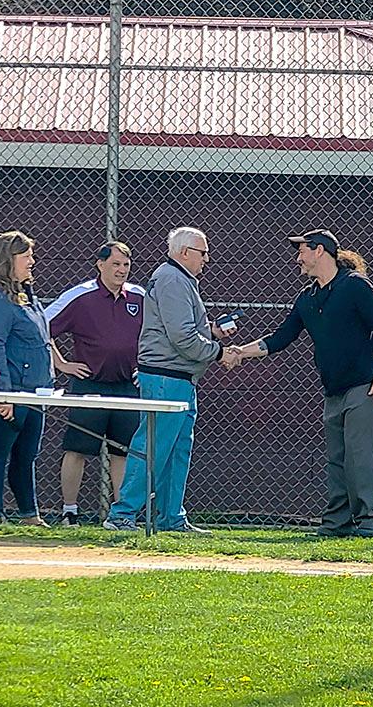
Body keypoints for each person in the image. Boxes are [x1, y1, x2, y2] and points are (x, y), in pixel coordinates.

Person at [235, 229, 373, 538]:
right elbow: (281, 338)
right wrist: (240, 353)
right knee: (336, 460)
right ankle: (337, 523)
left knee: (361, 457)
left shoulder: (355, 286)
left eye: (302, 251)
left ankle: (370, 522)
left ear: (320, 251)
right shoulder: (307, 298)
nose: (298, 258)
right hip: (333, 391)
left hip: (365, 386)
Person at [103, 226, 240, 533]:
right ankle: (122, 514)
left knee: (177, 450)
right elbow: (181, 337)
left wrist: (213, 333)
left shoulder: (180, 280)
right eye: (203, 253)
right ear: (184, 252)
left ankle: (171, 517)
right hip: (167, 378)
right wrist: (219, 352)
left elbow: (183, 330)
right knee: (154, 446)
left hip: (180, 377)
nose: (206, 259)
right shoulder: (172, 279)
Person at [45, 241, 144, 527]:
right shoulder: (81, 296)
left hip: (127, 386)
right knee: (77, 449)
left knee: (122, 451)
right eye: (115, 264)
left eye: (126, 265)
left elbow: (160, 333)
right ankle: (69, 512)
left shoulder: (140, 297)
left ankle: (121, 516)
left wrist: (145, 368)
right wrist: (61, 363)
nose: (121, 270)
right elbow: (40, 325)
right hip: (89, 385)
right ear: (100, 265)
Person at [0, 230, 54, 526]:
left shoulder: (24, 292)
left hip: (33, 389)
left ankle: (29, 514)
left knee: (26, 453)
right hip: (9, 387)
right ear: (9, 259)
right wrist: (1, 393)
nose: (32, 261)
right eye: (26, 255)